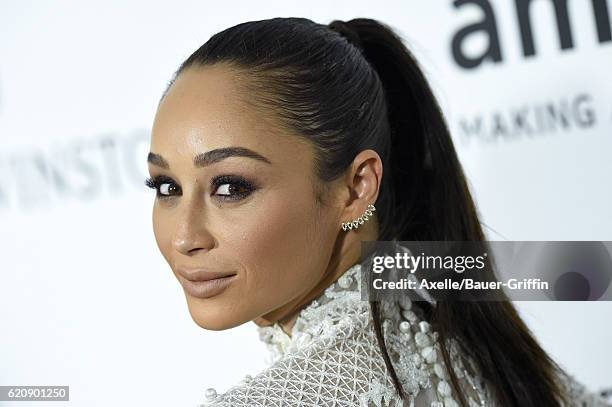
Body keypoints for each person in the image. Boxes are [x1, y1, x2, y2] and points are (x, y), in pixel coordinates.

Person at [145, 16, 611, 407]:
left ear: (356, 187)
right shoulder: (482, 348)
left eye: (230, 187)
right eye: (166, 187)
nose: (185, 237)